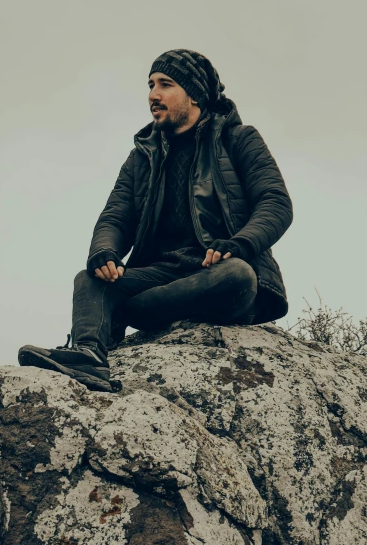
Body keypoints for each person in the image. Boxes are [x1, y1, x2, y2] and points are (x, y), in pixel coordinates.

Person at [19, 49, 293, 392]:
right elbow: (116, 217)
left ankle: (131, 310)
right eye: (150, 85)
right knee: (89, 279)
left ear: (194, 93)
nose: (153, 95)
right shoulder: (142, 157)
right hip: (163, 274)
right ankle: (88, 355)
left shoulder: (238, 139)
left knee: (238, 274)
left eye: (165, 84)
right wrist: (104, 253)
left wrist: (239, 244)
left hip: (220, 274)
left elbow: (275, 202)